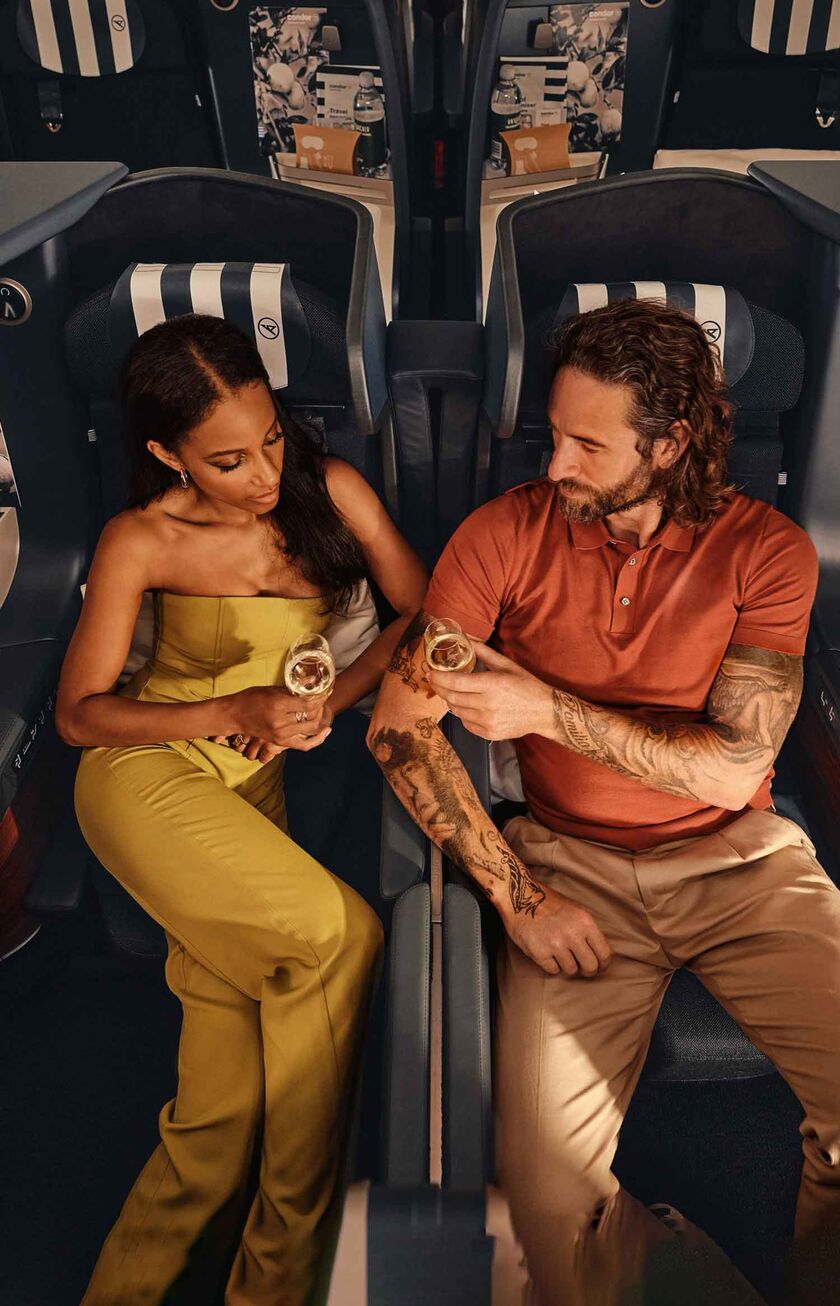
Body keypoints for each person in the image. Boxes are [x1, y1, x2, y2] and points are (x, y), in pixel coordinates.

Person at [368, 298, 840, 1305]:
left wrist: (543, 706)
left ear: (669, 444)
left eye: (588, 444)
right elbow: (398, 728)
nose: (555, 465)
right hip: (569, 865)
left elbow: (726, 771)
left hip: (744, 861)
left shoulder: (769, 552)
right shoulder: (503, 534)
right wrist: (517, 895)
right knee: (543, 1218)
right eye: (552, 434)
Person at [56, 314, 428, 1305]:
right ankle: (279, 1277)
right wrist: (238, 707)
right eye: (228, 459)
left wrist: (330, 703)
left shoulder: (330, 490)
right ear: (165, 453)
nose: (264, 473)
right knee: (340, 935)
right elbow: (80, 716)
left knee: (214, 1123)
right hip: (145, 776)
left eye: (269, 437)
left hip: (250, 803)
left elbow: (423, 611)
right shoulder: (142, 537)